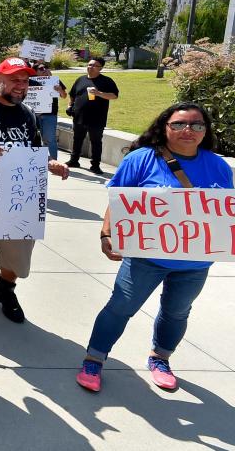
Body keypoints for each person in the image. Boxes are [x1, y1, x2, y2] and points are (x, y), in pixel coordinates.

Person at [75, 103, 233, 393]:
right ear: (164, 127)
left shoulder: (219, 166)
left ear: (206, 131)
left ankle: (160, 358)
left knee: (177, 312)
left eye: (197, 125)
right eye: (179, 124)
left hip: (195, 263)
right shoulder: (141, 159)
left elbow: (223, 211)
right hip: (145, 258)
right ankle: (94, 358)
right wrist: (106, 233)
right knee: (120, 307)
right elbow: (118, 199)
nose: (189, 130)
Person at [0, 57, 70, 329]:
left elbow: (34, 149)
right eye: (15, 79)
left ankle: (5, 287)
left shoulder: (28, 114)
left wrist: (50, 163)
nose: (21, 85)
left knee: (18, 256)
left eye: (25, 80)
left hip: (19, 198)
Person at [66, 57, 119, 175]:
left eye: (94, 65)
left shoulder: (106, 81)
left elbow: (114, 95)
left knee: (95, 142)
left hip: (97, 118)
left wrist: (99, 93)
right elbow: (73, 94)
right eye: (89, 65)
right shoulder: (80, 79)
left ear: (100, 68)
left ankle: (95, 165)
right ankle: (74, 160)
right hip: (79, 116)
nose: (90, 67)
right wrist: (70, 106)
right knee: (77, 139)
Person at [32, 61, 67, 161]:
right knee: (36, 139)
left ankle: (54, 162)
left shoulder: (54, 80)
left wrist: (60, 90)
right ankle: (39, 160)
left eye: (46, 68)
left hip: (50, 114)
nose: (45, 70)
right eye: (42, 68)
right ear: (35, 71)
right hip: (35, 115)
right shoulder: (30, 81)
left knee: (50, 139)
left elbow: (64, 96)